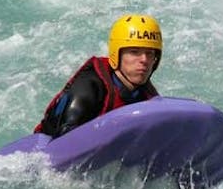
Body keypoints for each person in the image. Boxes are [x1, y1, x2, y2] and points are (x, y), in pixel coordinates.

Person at [34, 14, 163, 138]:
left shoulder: (146, 94)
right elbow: (65, 138)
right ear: (116, 55)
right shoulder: (88, 86)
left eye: (150, 53)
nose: (144, 60)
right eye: (134, 52)